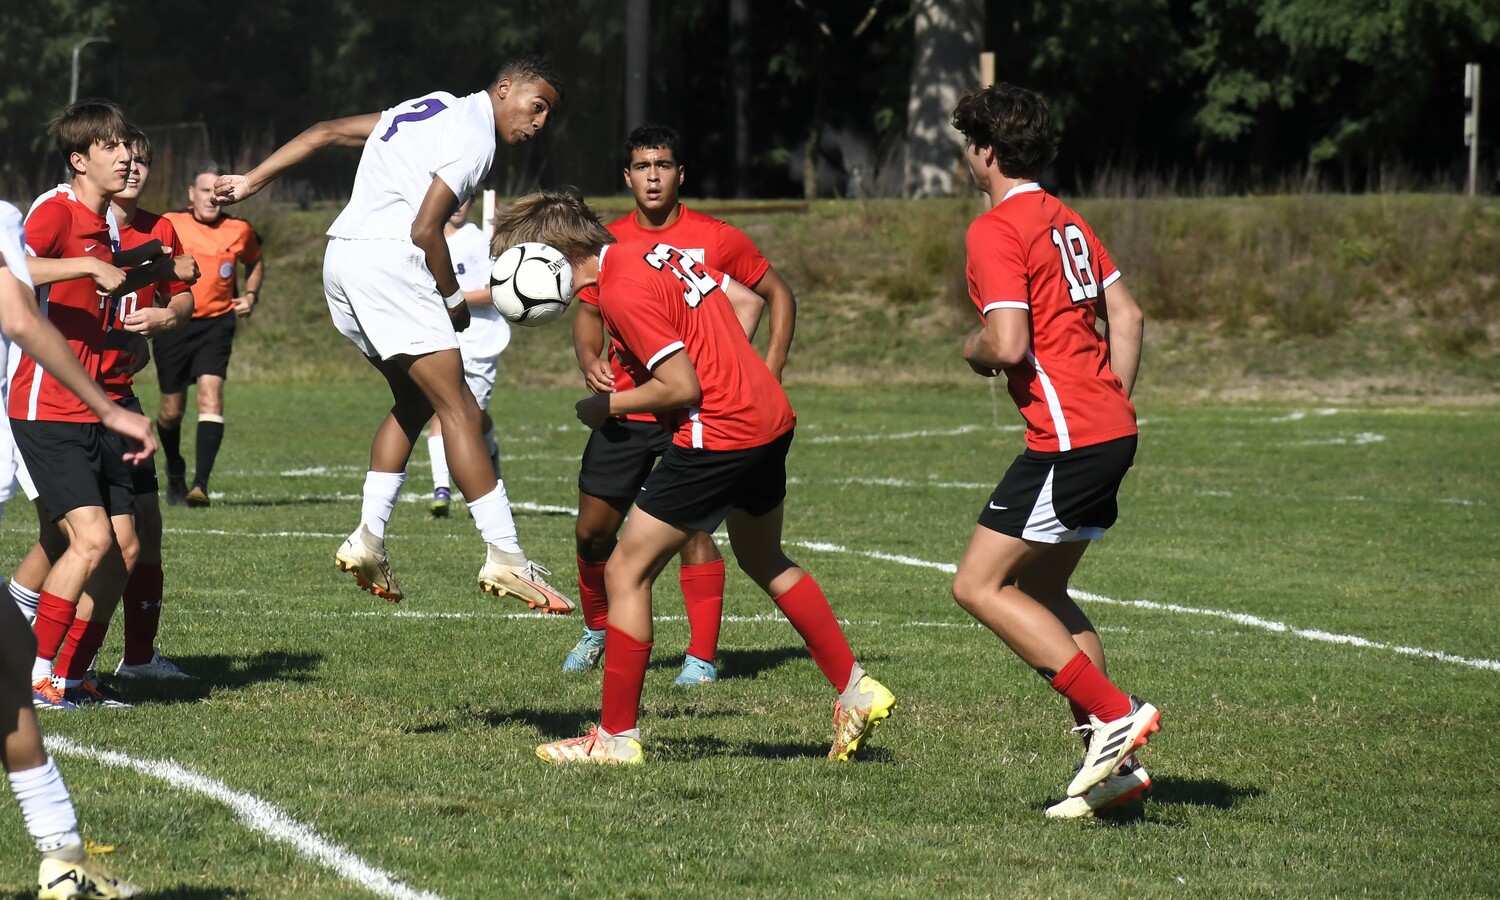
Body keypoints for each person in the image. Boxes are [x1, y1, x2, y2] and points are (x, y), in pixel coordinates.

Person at [489, 189, 893, 765]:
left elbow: (682, 387)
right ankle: (857, 689)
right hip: (768, 416)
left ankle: (615, 738)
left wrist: (607, 406)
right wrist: (728, 364)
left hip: (720, 433)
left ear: (547, 255)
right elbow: (742, 301)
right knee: (763, 556)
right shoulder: (650, 254)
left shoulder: (622, 287)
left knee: (625, 570)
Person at [212, 56, 573, 611]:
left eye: (547, 114)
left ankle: (368, 539)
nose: (539, 122)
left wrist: (250, 181)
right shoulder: (478, 137)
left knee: (415, 400)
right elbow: (425, 230)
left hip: (342, 260)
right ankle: (506, 556)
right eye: (537, 106)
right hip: (390, 262)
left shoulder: (432, 105)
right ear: (505, 88)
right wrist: (453, 299)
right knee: (460, 409)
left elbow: (326, 131)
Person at [946, 84, 1158, 818]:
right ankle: (1117, 772)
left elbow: (1007, 343)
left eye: (968, 145)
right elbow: (1127, 315)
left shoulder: (995, 228)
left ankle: (1115, 715)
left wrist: (972, 349)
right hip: (1108, 429)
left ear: (987, 151)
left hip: (1071, 441)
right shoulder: (1066, 218)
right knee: (1042, 592)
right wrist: (1112, 399)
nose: (967, 158)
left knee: (977, 586)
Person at [562, 125, 798, 684]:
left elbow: (773, 295)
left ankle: (701, 656)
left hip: (694, 410)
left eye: (663, 165)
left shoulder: (716, 238)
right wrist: (589, 358)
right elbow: (589, 312)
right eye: (642, 166)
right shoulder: (609, 244)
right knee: (593, 532)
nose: (653, 176)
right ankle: (598, 628)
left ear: (680, 174)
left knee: (694, 531)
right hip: (627, 407)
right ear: (626, 177)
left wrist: (764, 371)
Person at [2, 197, 150, 896]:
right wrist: (107, 404)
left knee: (10, 658)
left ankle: (62, 858)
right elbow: (22, 317)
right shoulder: (25, 216)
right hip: (49, 412)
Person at [14, 101, 175, 711]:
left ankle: (72, 676)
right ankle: (30, 675)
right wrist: (86, 263)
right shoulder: (55, 211)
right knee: (86, 541)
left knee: (124, 548)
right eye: (112, 147)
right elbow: (17, 270)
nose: (127, 157)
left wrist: (155, 271)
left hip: (98, 403)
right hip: (46, 404)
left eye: (128, 147)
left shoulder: (105, 223)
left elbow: (101, 283)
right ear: (80, 160)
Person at [158, 162, 263, 507]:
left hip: (217, 324)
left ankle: (199, 485)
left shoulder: (239, 229)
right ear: (192, 194)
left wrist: (250, 295)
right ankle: (175, 468)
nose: (212, 198)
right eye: (206, 190)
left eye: (220, 191)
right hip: (174, 323)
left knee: (211, 396)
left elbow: (255, 260)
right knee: (171, 411)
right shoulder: (170, 223)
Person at [424, 195, 510, 518]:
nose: (459, 205)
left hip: (480, 342)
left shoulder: (478, 241)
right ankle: (441, 489)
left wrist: (453, 296)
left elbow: (495, 292)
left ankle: (491, 454)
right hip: (444, 340)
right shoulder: (427, 238)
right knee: (442, 410)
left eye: (466, 198)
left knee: (474, 418)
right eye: (455, 197)